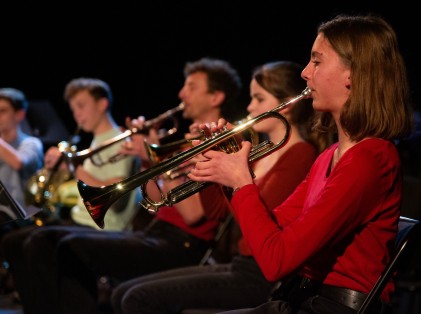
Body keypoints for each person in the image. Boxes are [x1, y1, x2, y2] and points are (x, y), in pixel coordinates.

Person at [184, 14, 413, 314]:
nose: (305, 72)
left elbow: (276, 262)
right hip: (303, 297)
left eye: (317, 61)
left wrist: (241, 182)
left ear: (353, 74)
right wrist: (227, 171)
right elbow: (263, 240)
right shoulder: (328, 158)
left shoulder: (371, 160)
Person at [6, 57, 242, 314]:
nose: (181, 93)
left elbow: (193, 214)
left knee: (63, 247)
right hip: (156, 231)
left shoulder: (222, 145)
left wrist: (155, 159)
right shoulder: (185, 140)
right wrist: (148, 161)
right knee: (38, 243)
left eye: (192, 87)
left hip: (182, 245)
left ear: (215, 97)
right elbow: (157, 200)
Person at [110, 60, 331, 314]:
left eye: (258, 99)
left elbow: (255, 221)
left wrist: (229, 171)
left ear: (288, 105)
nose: (250, 107)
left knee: (137, 299)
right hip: (242, 263)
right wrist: (210, 163)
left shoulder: (300, 154)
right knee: (121, 295)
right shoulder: (257, 155)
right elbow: (217, 211)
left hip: (261, 275)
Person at [1, 77, 141, 304]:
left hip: (102, 226)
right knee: (13, 242)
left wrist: (72, 166)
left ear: (102, 104)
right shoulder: (96, 142)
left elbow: (112, 194)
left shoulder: (118, 142)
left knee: (35, 243)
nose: (76, 114)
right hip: (79, 219)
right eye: (73, 109)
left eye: (81, 106)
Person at [0, 88, 44, 231]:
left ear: (19, 115)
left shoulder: (31, 143)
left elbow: (18, 162)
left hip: (18, 217)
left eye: (3, 111)